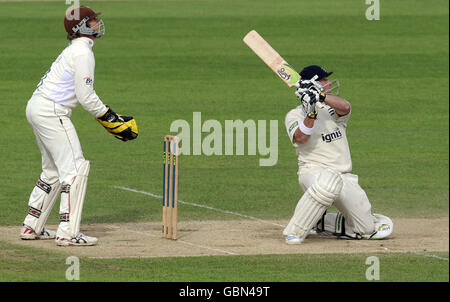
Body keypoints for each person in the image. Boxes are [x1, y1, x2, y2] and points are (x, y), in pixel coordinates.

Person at [20, 6, 138, 246]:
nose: (97, 23)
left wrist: (108, 118)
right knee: (76, 169)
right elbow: (85, 95)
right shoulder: (82, 53)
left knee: (53, 170)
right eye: (93, 20)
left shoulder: (75, 50)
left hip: (37, 107)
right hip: (52, 111)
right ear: (81, 26)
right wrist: (110, 118)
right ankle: (68, 232)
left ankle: (32, 226)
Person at [283, 65, 393, 244]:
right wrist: (310, 112)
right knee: (328, 183)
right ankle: (295, 231)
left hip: (343, 175)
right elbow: (301, 137)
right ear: (314, 84)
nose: (328, 83)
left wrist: (321, 97)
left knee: (365, 229)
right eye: (324, 80)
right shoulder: (294, 115)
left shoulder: (331, 109)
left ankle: (319, 220)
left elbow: (346, 107)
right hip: (313, 171)